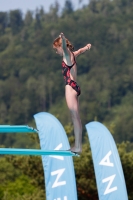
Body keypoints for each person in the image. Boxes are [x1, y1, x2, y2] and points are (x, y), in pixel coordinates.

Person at [53, 32, 91, 154]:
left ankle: (78, 147)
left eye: (56, 49)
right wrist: (86, 48)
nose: (56, 52)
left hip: (70, 88)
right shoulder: (71, 55)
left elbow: (64, 47)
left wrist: (62, 39)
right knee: (76, 118)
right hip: (75, 87)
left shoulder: (66, 55)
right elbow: (79, 51)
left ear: (60, 47)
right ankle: (78, 145)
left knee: (75, 118)